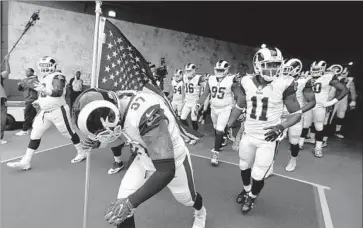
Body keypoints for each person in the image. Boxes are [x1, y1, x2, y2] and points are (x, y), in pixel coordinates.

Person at [73, 88, 207, 228]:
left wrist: (130, 203)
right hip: (144, 158)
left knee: (187, 199)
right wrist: (99, 142)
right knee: (122, 210)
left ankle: (200, 212)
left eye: (103, 130)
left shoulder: (144, 115)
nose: (102, 134)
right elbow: (124, 136)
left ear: (110, 116)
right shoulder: (118, 108)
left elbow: (166, 170)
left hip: (172, 160)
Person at [227, 46, 302, 213]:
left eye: (276, 65)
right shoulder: (246, 81)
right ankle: (246, 191)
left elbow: (297, 113)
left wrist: (281, 126)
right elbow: (240, 104)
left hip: (268, 137)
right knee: (244, 166)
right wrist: (230, 122)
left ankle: (252, 197)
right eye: (269, 65)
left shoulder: (284, 84)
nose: (273, 69)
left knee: (259, 173)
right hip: (248, 133)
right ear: (258, 65)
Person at [6, 56, 87, 171]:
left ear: (53, 66)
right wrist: (38, 101)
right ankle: (26, 161)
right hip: (44, 112)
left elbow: (58, 92)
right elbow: (43, 94)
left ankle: (81, 151)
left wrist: (45, 91)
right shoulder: (44, 77)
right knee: (35, 134)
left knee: (68, 133)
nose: (44, 68)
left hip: (58, 110)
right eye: (43, 66)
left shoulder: (58, 76)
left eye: (47, 66)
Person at [298, 61, 348, 157]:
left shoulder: (328, 77)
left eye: (317, 69)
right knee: (305, 125)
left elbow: (344, 90)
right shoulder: (307, 78)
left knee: (319, 127)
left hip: (319, 106)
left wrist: (332, 102)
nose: (315, 71)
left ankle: (318, 148)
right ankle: (300, 143)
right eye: (314, 69)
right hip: (308, 105)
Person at [195, 61, 240, 166]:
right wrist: (198, 104)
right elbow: (206, 93)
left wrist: (240, 107)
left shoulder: (231, 79)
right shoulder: (211, 79)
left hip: (225, 108)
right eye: (218, 70)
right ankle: (223, 138)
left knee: (219, 129)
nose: (219, 72)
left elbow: (238, 94)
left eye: (221, 70)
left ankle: (215, 154)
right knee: (217, 128)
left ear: (226, 70)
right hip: (214, 107)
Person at [277, 58, 316, 172]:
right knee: (274, 140)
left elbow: (312, 101)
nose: (284, 71)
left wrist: (299, 112)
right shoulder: (277, 80)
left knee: (294, 141)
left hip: (295, 116)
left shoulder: (303, 82)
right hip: (279, 116)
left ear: (296, 69)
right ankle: (269, 164)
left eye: (288, 69)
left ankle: (293, 159)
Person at [180, 63, 204, 145]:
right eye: (187, 71)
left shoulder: (198, 78)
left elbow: (204, 86)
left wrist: (201, 103)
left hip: (195, 102)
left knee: (194, 118)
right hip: (187, 101)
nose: (188, 72)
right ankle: (188, 133)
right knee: (182, 118)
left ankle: (195, 136)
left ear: (194, 70)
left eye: (190, 71)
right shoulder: (184, 77)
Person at [16, 68, 39, 136]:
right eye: (26, 71)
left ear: (32, 72)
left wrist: (26, 83)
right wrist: (20, 85)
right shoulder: (25, 80)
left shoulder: (35, 79)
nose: (26, 73)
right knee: (33, 115)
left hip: (31, 99)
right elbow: (20, 89)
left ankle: (25, 130)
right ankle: (35, 129)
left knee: (27, 114)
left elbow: (35, 87)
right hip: (27, 99)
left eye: (28, 71)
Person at [0, 55, 10, 144]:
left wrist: (6, 61)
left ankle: (0, 138)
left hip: (2, 99)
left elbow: (7, 72)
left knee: (2, 119)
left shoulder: (0, 75)